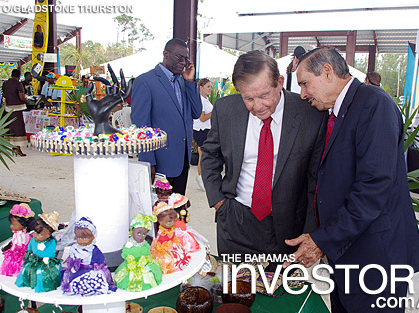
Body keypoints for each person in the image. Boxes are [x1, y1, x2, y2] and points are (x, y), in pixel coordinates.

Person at [288, 46, 419, 313]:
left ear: (327, 72)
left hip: (376, 258)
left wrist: (322, 239)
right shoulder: (338, 111)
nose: (303, 94)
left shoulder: (374, 104)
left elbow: (372, 189)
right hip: (347, 253)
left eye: (305, 84)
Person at [200, 50, 327, 258]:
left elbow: (316, 180)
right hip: (235, 220)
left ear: (279, 82)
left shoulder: (310, 114)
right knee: (234, 287)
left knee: (281, 289)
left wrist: (311, 232)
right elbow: (210, 156)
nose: (257, 106)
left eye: (264, 95)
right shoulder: (226, 109)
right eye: (248, 98)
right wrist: (219, 202)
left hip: (288, 228)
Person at [131, 38, 202, 195]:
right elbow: (141, 126)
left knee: (177, 212)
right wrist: (148, 162)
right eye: (179, 57)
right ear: (166, 54)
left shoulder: (185, 82)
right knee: (160, 213)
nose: (183, 62)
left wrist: (191, 82)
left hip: (182, 161)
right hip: (160, 162)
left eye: (186, 58)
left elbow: (197, 112)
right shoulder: (145, 82)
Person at [2, 69, 29, 157]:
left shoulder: (5, 84)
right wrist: (26, 101)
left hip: (8, 108)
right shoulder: (18, 84)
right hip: (17, 108)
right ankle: (17, 148)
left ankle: (13, 146)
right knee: (18, 129)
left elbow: (4, 96)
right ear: (19, 76)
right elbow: (21, 96)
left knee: (11, 128)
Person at [193, 78, 213, 191]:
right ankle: (200, 178)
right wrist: (214, 112)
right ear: (201, 88)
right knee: (202, 155)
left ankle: (203, 178)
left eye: (210, 86)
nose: (210, 89)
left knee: (206, 155)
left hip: (207, 130)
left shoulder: (206, 99)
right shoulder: (200, 100)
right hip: (201, 131)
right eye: (208, 86)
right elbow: (202, 118)